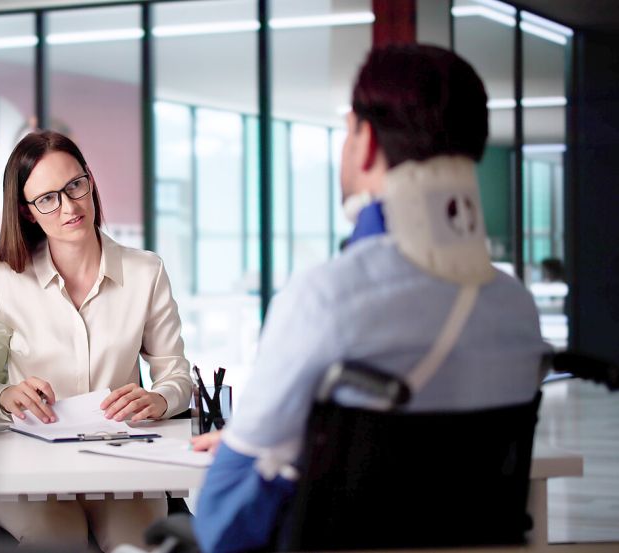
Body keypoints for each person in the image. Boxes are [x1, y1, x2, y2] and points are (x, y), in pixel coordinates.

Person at [191, 44, 549, 553]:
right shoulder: (518, 308)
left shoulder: (329, 298)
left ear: (366, 141)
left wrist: (269, 456)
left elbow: (221, 524)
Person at [0, 130, 192, 551]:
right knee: (59, 537)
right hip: (30, 463)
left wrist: (159, 399)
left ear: (90, 181)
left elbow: (175, 373)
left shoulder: (146, 272)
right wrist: (5, 395)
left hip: (119, 458)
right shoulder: (1, 282)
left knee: (136, 542)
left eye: (75, 185)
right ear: (27, 212)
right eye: (48, 198)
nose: (69, 206)